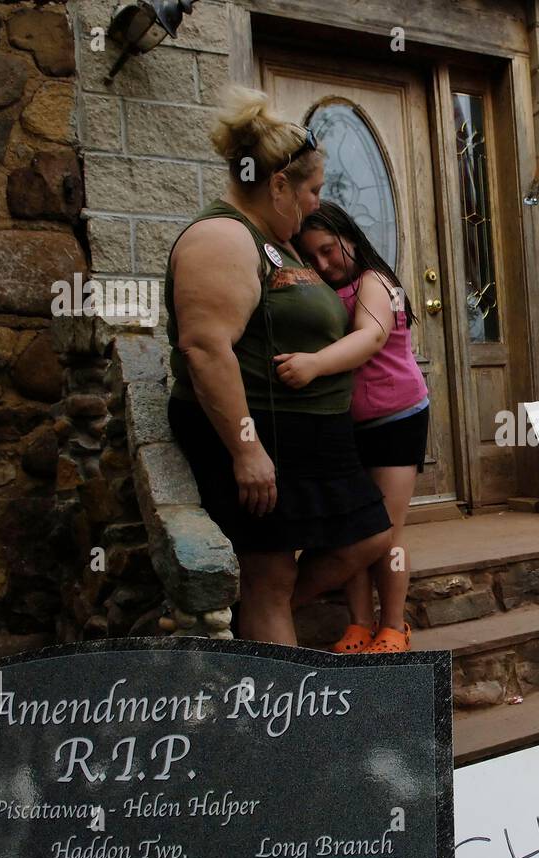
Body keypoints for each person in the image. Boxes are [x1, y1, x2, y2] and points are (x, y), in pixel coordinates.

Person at [163, 87, 393, 645]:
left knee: (370, 537)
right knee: (270, 573)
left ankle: (255, 626)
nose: (318, 203)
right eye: (313, 190)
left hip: (314, 438)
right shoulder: (221, 237)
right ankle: (282, 715)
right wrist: (246, 451)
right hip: (261, 435)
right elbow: (206, 348)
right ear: (279, 184)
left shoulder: (278, 243)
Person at [288, 203, 430, 654]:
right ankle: (359, 624)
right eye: (311, 258)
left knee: (386, 532)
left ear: (349, 236)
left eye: (329, 250)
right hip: (349, 425)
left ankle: (393, 625)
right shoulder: (324, 290)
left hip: (396, 418)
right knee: (355, 530)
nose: (324, 264)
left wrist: (312, 365)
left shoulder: (375, 282)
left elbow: (369, 337)